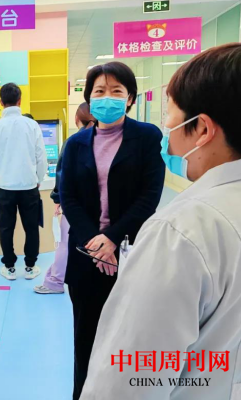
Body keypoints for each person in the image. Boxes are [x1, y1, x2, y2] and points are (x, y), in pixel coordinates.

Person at [81, 43, 241, 400]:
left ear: (202, 129)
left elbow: (128, 380)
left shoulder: (182, 232)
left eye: (171, 116)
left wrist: (112, 237)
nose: (167, 131)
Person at [59, 62, 165, 399]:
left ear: (130, 98)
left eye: (116, 91)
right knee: (85, 338)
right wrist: (96, 242)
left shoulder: (147, 137)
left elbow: (149, 195)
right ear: (89, 99)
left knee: (129, 336)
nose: (108, 97)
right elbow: (68, 197)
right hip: (85, 256)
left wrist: (112, 238)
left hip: (130, 253)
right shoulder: (75, 143)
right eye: (100, 91)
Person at [0, 83, 47, 281]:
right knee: (31, 228)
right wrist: (39, 179)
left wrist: (2, 166)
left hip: (5, 187)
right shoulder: (32, 125)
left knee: (6, 228)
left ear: (1, 102)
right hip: (29, 186)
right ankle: (30, 266)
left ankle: (9, 267)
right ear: (20, 101)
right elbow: (41, 157)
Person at [34, 103, 96, 295]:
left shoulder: (74, 142)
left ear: (77, 119)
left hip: (75, 203)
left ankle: (55, 280)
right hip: (100, 204)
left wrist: (58, 199)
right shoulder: (109, 140)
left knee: (65, 242)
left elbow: (63, 174)